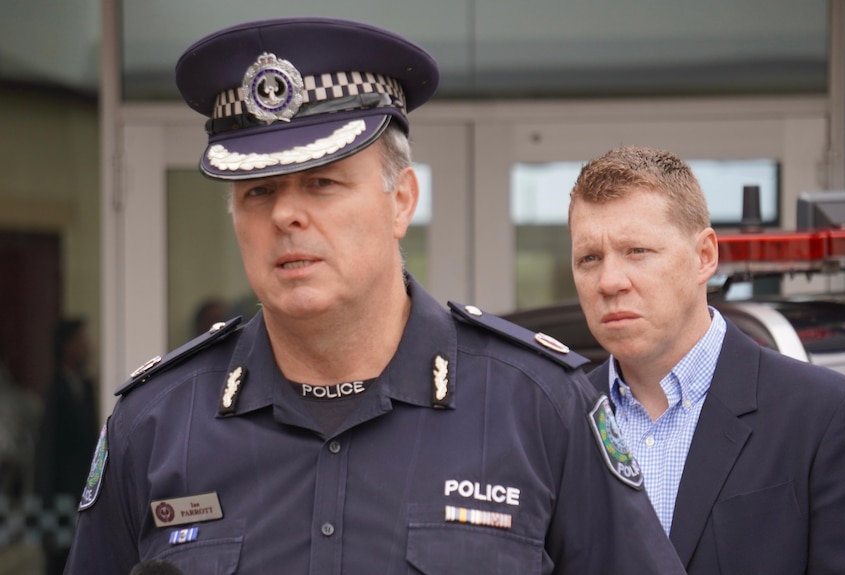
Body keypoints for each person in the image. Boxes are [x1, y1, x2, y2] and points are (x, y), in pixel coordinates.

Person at [63, 18, 685, 574]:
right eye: (257, 192)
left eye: (322, 183)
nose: (286, 216)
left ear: (402, 201)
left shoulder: (538, 407)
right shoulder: (155, 426)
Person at [568, 145, 845, 574]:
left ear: (705, 256)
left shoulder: (823, 416)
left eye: (637, 251)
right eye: (589, 258)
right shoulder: (555, 418)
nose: (609, 281)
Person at [36, 318, 99, 574]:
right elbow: (47, 456)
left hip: (83, 494)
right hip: (60, 498)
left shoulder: (86, 387)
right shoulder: (56, 392)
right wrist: (45, 511)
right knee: (59, 561)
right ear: (67, 346)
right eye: (81, 341)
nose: (88, 347)